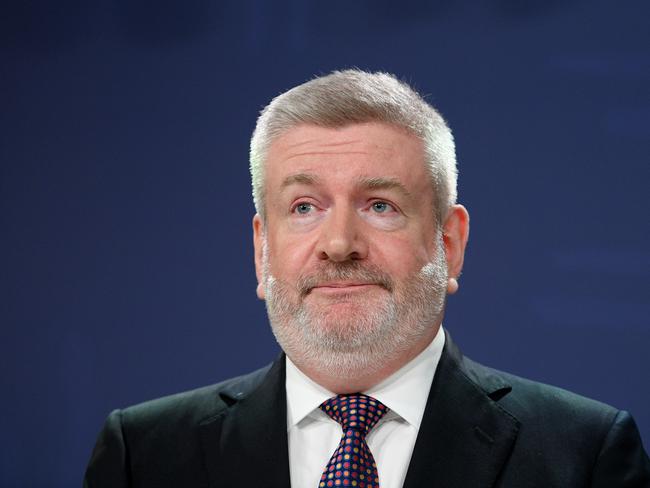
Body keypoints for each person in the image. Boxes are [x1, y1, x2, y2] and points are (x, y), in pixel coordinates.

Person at [84, 69, 650, 488]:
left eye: (380, 205)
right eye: (304, 207)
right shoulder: (144, 455)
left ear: (448, 244)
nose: (339, 245)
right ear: (261, 249)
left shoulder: (584, 455)